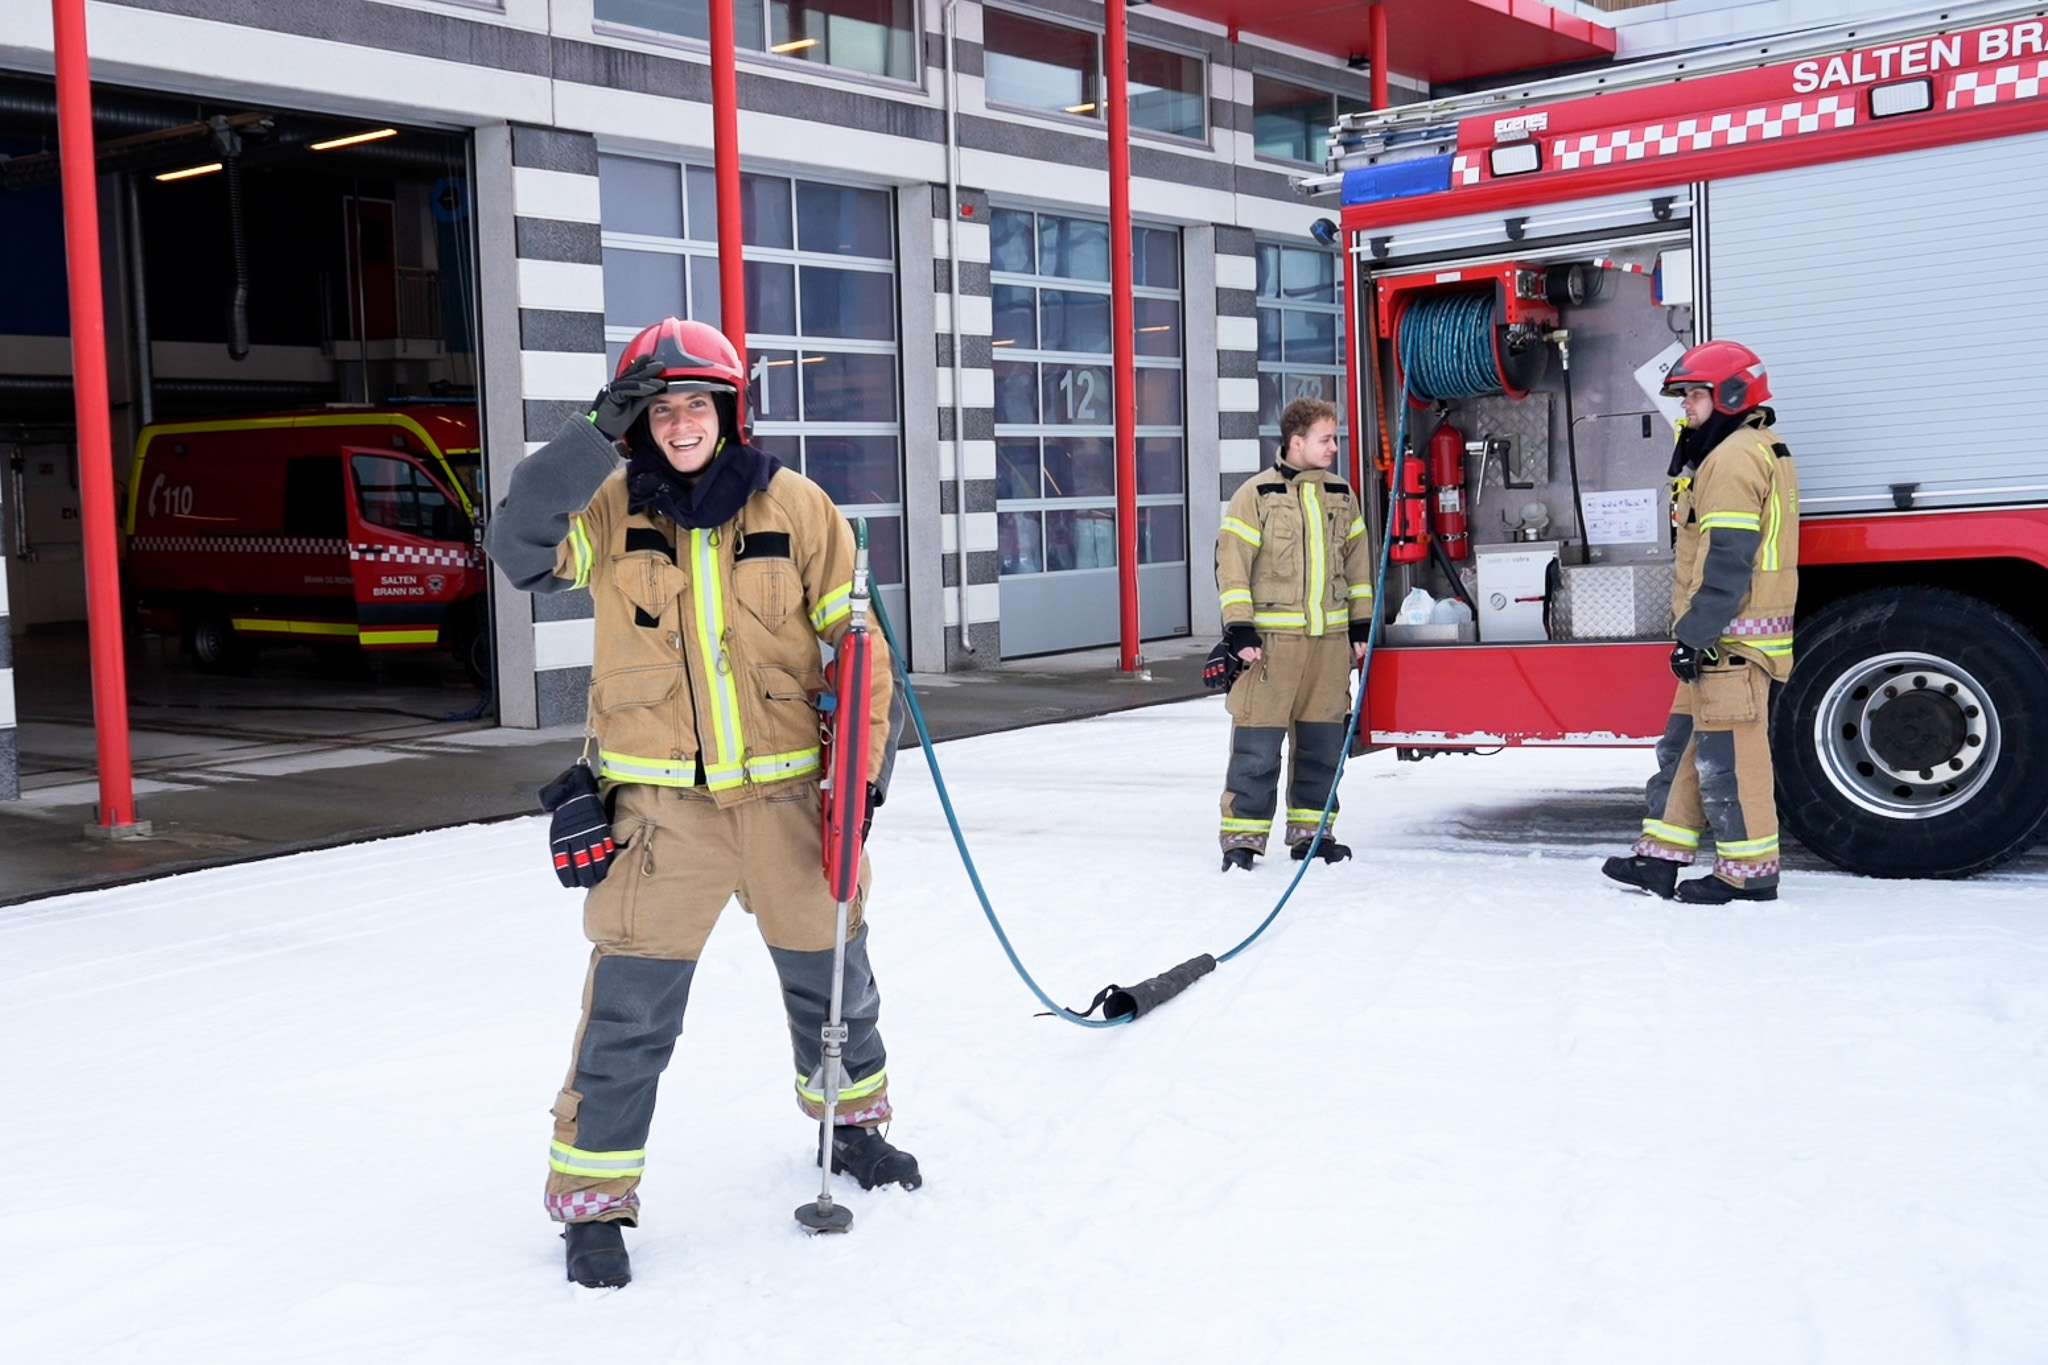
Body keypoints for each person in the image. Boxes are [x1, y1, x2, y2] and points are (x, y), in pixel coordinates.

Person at [484, 317, 918, 1290]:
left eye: (697, 404)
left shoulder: (798, 509)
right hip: (659, 819)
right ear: (637, 419)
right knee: (629, 1013)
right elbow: (514, 545)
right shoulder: (604, 513)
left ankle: (851, 1129)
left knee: (834, 983)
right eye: (659, 407)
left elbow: (860, 652)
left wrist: (860, 780)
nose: (680, 423)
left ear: (727, 411)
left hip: (787, 807)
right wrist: (592, 433)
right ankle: (595, 1202)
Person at [1603, 339, 1799, 904]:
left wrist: (1696, 632)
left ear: (1732, 394)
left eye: (1694, 394)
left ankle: (1749, 874)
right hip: (1719, 637)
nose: (1685, 406)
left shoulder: (1735, 457)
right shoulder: (1734, 450)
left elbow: (1728, 557)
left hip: (1730, 639)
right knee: (1684, 747)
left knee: (1731, 759)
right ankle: (1658, 860)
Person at [1212, 396, 1374, 871]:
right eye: (1326, 439)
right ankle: (1242, 841)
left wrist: (1360, 625)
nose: (1334, 447)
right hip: (1269, 649)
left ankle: (1313, 835)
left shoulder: (1343, 495)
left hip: (1328, 647)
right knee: (1256, 748)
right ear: (1296, 441)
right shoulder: (1255, 496)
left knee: (1323, 748)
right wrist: (1239, 629)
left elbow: (1359, 568)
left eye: (1335, 438)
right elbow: (1232, 567)